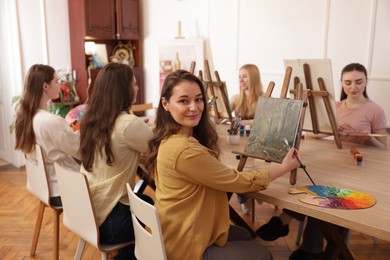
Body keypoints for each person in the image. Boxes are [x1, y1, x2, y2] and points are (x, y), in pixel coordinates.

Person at [144, 69, 300, 260]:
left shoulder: (169, 138)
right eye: (184, 101)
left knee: (244, 235)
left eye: (199, 99)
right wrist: (284, 167)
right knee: (262, 254)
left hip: (175, 227)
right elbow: (238, 182)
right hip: (185, 245)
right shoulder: (184, 150)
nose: (194, 107)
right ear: (166, 104)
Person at [256, 62, 388, 260]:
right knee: (313, 183)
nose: (353, 87)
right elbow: (315, 134)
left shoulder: (375, 109)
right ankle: (303, 240)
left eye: (359, 82)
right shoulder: (334, 106)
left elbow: (384, 149)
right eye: (348, 82)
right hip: (336, 164)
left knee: (324, 191)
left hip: (359, 170)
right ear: (341, 83)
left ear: (366, 82)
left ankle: (296, 233)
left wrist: (367, 138)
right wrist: (335, 130)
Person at [78, 63, 152, 260]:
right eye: (134, 84)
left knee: (143, 202)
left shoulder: (92, 120)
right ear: (123, 89)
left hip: (86, 212)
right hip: (110, 221)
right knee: (150, 208)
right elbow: (156, 148)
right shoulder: (128, 124)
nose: (136, 88)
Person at [14, 64, 80, 206]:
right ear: (45, 86)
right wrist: (84, 129)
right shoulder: (51, 121)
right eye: (56, 81)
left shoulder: (25, 118)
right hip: (64, 190)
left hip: (44, 188)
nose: (59, 85)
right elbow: (80, 150)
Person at [229, 64, 264, 214]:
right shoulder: (236, 98)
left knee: (254, 170)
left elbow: (263, 122)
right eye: (239, 76)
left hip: (259, 144)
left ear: (253, 78)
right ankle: (244, 198)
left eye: (245, 76)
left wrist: (241, 122)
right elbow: (222, 114)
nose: (241, 80)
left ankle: (257, 190)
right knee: (236, 170)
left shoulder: (264, 99)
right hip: (239, 143)